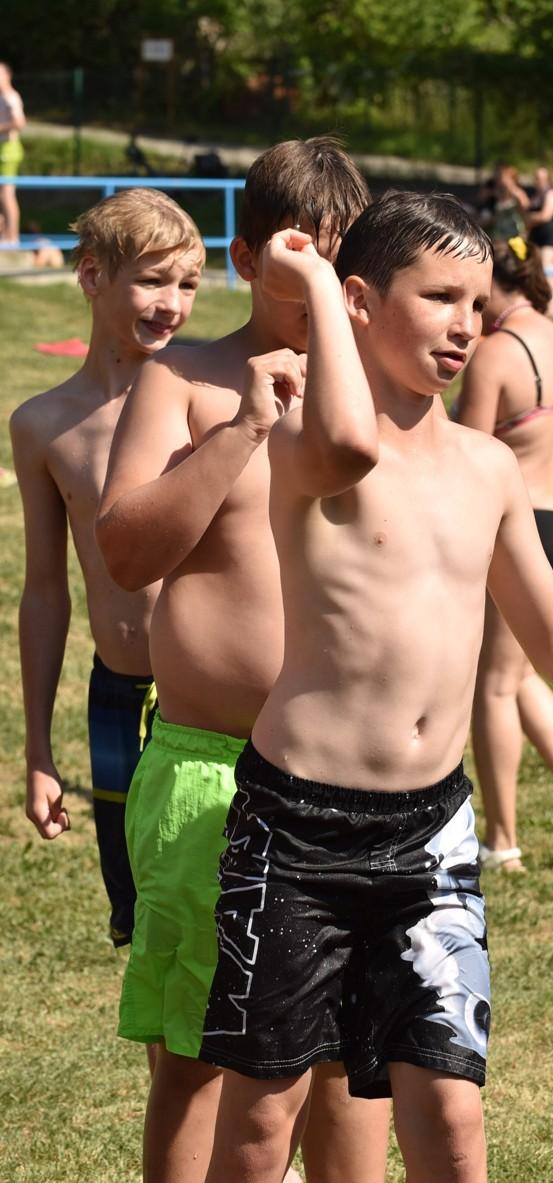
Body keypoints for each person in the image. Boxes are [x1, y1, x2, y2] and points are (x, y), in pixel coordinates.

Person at [196, 192, 553, 1183]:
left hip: (431, 835)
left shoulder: (487, 468)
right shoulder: (306, 444)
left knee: (451, 1119)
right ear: (360, 301)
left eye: (477, 304)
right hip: (296, 831)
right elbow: (351, 442)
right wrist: (312, 276)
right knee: (263, 1127)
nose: (464, 325)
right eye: (439, 297)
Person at [95, 139, 390, 1183]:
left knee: (344, 1066)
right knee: (197, 1057)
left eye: (341, 264)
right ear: (245, 257)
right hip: (213, 771)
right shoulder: (182, 382)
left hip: (351, 785)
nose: (322, 287)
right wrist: (244, 428)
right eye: (300, 259)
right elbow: (125, 554)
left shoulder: (383, 393)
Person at [10, 189, 204, 959]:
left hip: (213, 701)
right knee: (144, 918)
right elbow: (44, 591)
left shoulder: (210, 398)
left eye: (188, 284)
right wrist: (37, 750)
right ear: (92, 275)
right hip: (118, 698)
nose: (173, 304)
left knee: (230, 916)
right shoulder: (43, 424)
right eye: (153, 280)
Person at [454, 236, 553, 868]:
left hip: (529, 528)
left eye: (473, 297)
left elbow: (464, 452)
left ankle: (502, 842)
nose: (465, 312)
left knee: (492, 685)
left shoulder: (496, 351)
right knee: (521, 673)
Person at [0, 61, 25, 242]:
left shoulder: (10, 97)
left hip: (8, 149)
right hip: (3, 147)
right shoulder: (3, 97)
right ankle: (5, 233)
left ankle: (12, 236)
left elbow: (19, 122)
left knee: (6, 193)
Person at [475, 161, 530, 241]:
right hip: (500, 231)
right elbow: (481, 199)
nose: (500, 179)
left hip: (515, 230)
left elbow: (526, 209)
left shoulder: (518, 193)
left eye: (503, 177)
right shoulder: (497, 191)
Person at [526, 166, 553, 268]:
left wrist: (529, 218)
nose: (538, 181)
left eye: (541, 178)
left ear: (548, 179)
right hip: (534, 238)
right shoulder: (534, 197)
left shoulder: (552, 194)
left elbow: (545, 216)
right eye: (536, 178)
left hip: (548, 238)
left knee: (544, 267)